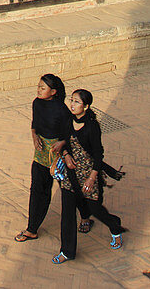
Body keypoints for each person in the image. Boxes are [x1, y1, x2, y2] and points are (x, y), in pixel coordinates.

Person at [51, 89, 125, 264]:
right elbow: (64, 141)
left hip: (88, 175)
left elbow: (99, 154)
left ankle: (115, 226)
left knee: (95, 209)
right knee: (67, 214)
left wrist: (92, 178)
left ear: (86, 106)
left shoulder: (92, 126)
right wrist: (67, 155)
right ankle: (67, 251)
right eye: (72, 100)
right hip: (70, 174)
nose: (72, 104)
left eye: (77, 102)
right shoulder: (68, 120)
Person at [15, 74, 71, 242]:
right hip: (40, 154)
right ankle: (32, 228)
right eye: (38, 87)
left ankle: (84, 216)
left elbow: (70, 134)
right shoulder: (36, 103)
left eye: (43, 88)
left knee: (69, 190)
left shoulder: (62, 111)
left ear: (53, 91)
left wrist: (61, 143)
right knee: (38, 191)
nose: (38, 90)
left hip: (58, 156)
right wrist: (34, 136)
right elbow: (35, 124)